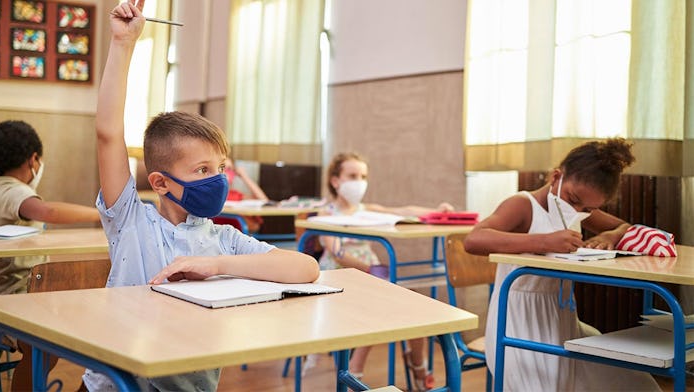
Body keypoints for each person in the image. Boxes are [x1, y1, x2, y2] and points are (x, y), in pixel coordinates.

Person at [87, 2, 320, 390]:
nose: (218, 180)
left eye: (220, 168)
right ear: (160, 183)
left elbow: (306, 269)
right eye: (202, 171)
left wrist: (217, 265)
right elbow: (108, 133)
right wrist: (122, 44)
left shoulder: (221, 240)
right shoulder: (130, 221)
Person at [463, 138, 661, 391]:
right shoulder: (524, 205)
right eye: (573, 198)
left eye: (588, 208)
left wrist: (609, 236)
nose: (577, 210)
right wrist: (544, 242)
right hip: (519, 324)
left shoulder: (579, 210)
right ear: (556, 176)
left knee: (636, 382)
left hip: (562, 321)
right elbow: (474, 239)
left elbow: (625, 227)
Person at [304, 152, 455, 391]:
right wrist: (372, 271)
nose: (359, 181)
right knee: (375, 307)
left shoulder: (366, 209)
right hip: (340, 277)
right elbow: (336, 252)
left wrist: (436, 211)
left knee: (416, 301)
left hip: (373, 275)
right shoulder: (326, 213)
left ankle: (418, 365)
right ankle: (355, 368)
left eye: (363, 176)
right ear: (335, 181)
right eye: (352, 176)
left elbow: (402, 211)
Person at [0, 119, 101, 391]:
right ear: (33, 160)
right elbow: (48, 212)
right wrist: (102, 215)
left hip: (4, 293)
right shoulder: (14, 192)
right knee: (51, 341)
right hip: (16, 297)